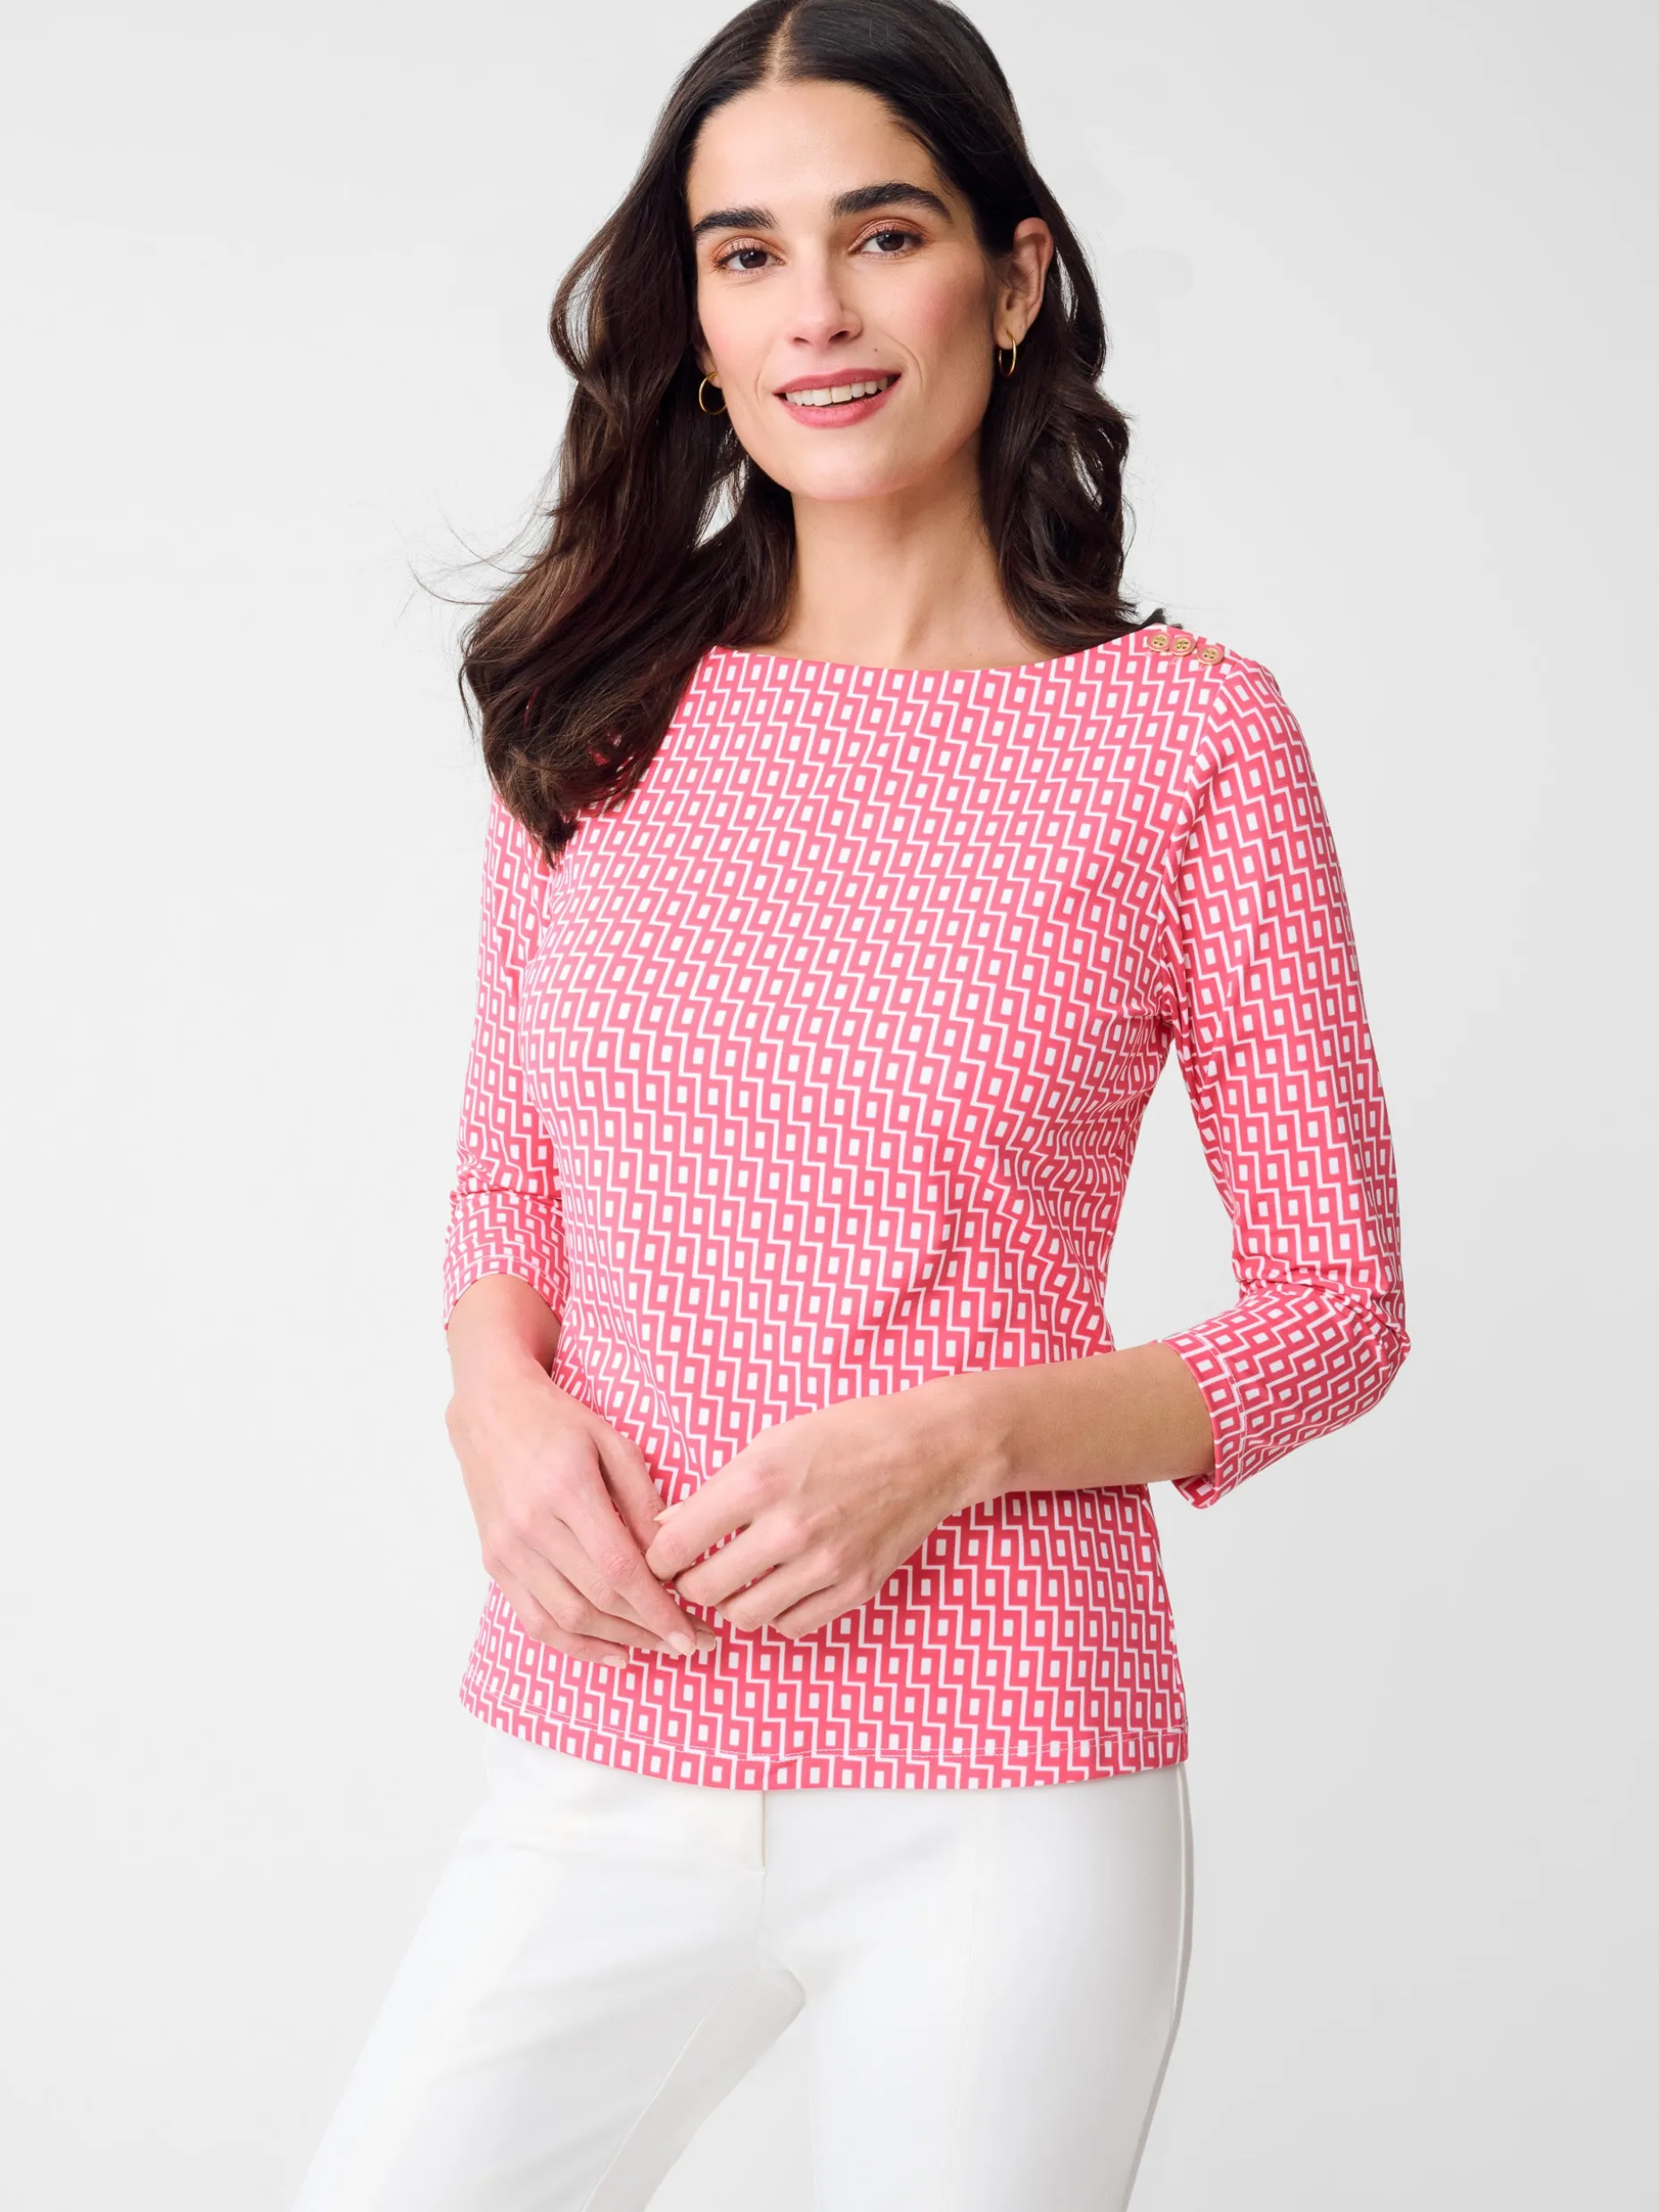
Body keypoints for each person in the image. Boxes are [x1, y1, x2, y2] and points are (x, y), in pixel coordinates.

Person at [292, 2, 1410, 2206]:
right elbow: (507, 1175)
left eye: (881, 235)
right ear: (697, 319)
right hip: (602, 1743)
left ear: (1010, 277)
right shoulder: (597, 706)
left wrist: (956, 1441)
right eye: (746, 254)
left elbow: (1338, 1304)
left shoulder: (1191, 742)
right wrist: (492, 1405)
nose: (812, 309)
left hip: (1005, 1777)